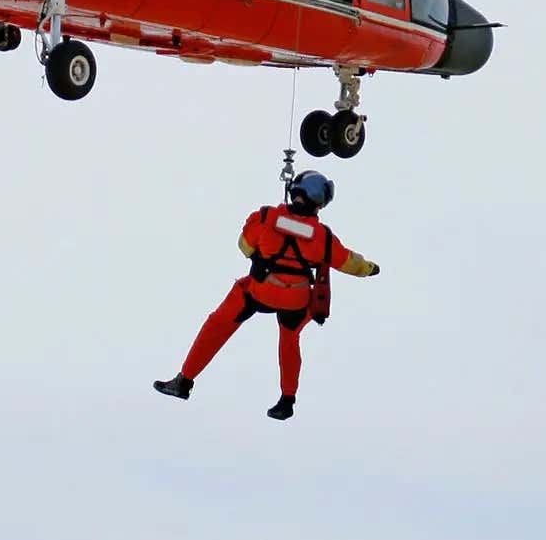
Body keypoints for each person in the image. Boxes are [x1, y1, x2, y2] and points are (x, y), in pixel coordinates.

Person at [153, 170, 379, 421]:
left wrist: (263, 254)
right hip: (296, 300)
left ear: (294, 190)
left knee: (218, 323)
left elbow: (245, 246)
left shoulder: (266, 218)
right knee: (289, 342)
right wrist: (370, 269)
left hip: (261, 291)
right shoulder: (323, 238)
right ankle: (287, 401)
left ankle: (183, 381)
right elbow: (350, 263)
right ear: (320, 203)